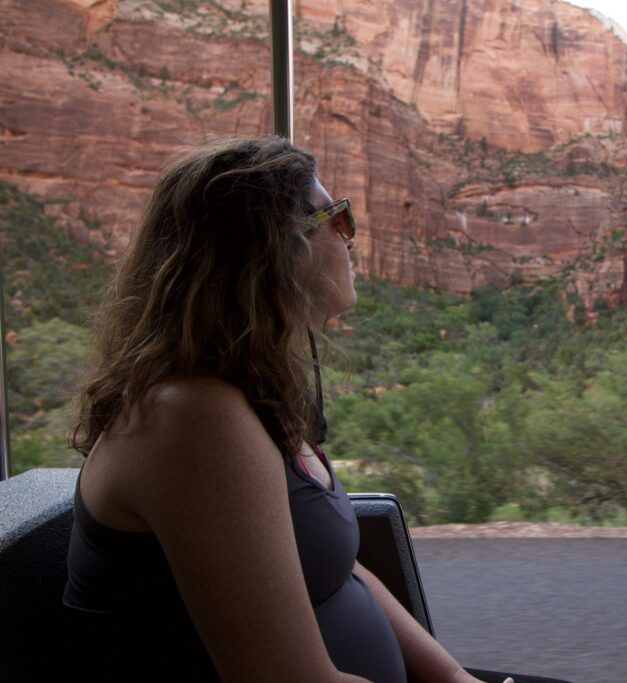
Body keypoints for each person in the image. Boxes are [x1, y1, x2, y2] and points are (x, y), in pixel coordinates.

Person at [63, 137, 498, 682]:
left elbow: (338, 573)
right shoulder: (192, 418)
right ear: (272, 248)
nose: (352, 237)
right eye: (337, 217)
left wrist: (454, 678)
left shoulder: (244, 394)